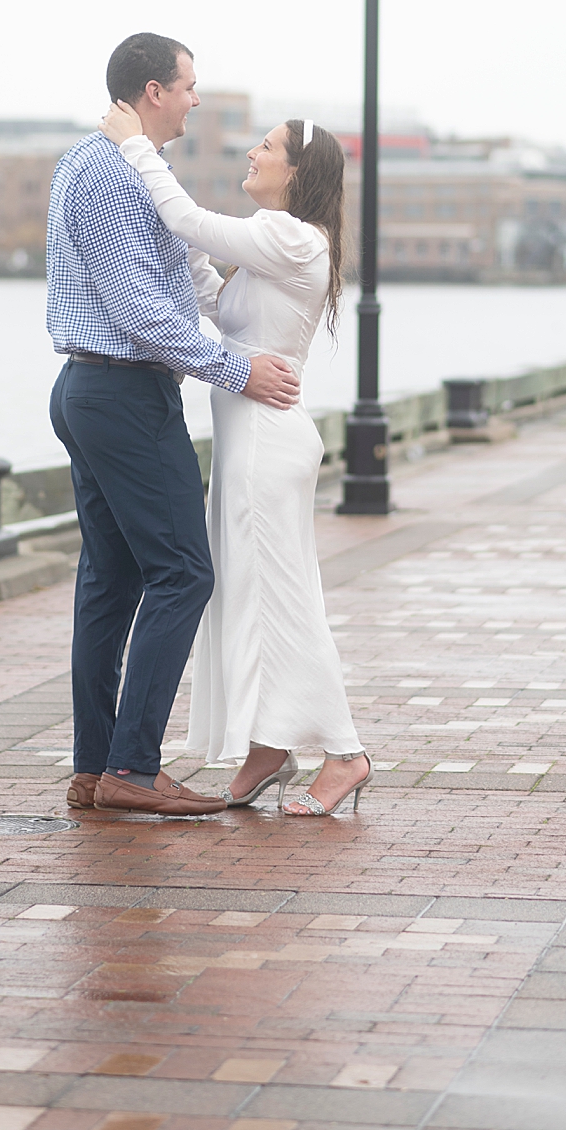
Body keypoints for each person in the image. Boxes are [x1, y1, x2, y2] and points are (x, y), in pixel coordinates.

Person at [47, 32, 300, 818]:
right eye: (190, 84)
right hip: (123, 393)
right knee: (184, 572)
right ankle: (132, 767)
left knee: (112, 580)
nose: (196, 97)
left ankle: (97, 769)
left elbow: (174, 284)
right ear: (155, 91)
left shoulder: (88, 163)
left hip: (93, 389)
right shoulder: (115, 176)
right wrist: (237, 368)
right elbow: (140, 311)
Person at [99, 97, 371, 817]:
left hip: (265, 450)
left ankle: (345, 755)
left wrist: (139, 151)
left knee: (283, 600)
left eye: (266, 146)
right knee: (249, 598)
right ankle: (268, 744)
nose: (252, 153)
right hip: (252, 444)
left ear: (296, 170)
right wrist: (180, 246)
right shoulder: (282, 244)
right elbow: (219, 304)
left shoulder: (290, 236)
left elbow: (192, 220)